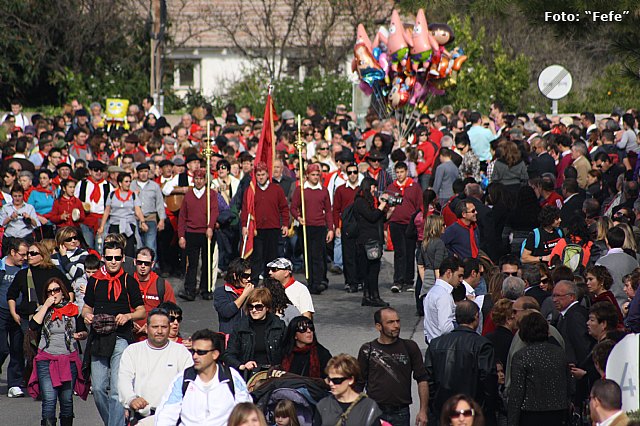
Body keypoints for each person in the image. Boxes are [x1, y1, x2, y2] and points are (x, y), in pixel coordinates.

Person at [82, 240, 146, 426]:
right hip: (99, 337)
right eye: (109, 258)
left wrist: (128, 316)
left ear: (123, 258)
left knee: (118, 389)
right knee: (100, 388)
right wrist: (87, 315)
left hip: (121, 337)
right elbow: (86, 307)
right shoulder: (95, 281)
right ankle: (113, 422)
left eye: (117, 258)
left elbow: (141, 310)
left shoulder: (129, 281)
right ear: (103, 259)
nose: (113, 261)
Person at [6, 241, 72, 398]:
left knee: (42, 351)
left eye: (33, 253)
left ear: (43, 256)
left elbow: (68, 291)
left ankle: (42, 384)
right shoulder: (23, 274)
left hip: (49, 317)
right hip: (25, 318)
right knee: (21, 349)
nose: (29, 256)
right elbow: (11, 295)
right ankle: (15, 383)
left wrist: (63, 308)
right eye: (28, 253)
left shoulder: (54, 273)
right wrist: (13, 312)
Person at [154, 329, 252, 426]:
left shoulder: (232, 378)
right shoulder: (183, 379)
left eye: (201, 352)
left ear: (215, 354)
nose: (195, 356)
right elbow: (166, 414)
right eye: (193, 351)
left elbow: (246, 412)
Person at [425, 301, 497, 425]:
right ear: (476, 316)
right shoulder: (482, 345)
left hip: (443, 410)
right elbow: (488, 379)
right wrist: (487, 409)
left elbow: (429, 380)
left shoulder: (436, 344)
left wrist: (435, 406)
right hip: (473, 410)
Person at [28, 277, 88, 426]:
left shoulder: (73, 310)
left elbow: (83, 331)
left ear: (63, 292)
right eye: (49, 292)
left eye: (56, 290)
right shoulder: (42, 310)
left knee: (66, 400)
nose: (53, 294)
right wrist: (45, 306)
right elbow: (33, 326)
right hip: (46, 359)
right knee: (49, 399)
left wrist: (80, 335)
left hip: (68, 359)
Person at [117, 308, 192, 425]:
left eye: (164, 327)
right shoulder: (132, 351)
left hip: (174, 416)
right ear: (146, 328)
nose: (160, 331)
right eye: (155, 327)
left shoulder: (181, 351)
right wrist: (131, 399)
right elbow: (124, 380)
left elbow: (190, 383)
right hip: (143, 415)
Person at [358, 307, 429, 426]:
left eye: (398, 321)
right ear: (378, 326)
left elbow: (422, 380)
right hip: (374, 411)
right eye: (390, 322)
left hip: (401, 412)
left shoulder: (410, 347)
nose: (396, 325)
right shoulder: (367, 350)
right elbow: (358, 383)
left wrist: (423, 411)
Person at [507, 312, 571, 426]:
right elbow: (569, 385)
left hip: (530, 414)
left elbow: (516, 393)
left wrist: (512, 422)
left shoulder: (522, 356)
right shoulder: (560, 353)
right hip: (558, 413)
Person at [241, 162, 289, 284]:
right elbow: (245, 209)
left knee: (271, 257)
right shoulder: (251, 190)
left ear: (268, 174)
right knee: (257, 257)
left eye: (263, 174)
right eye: (258, 175)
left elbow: (284, 208)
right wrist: (243, 226)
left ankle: (270, 283)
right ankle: (254, 283)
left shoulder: (276, 189)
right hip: (257, 229)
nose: (261, 177)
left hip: (273, 228)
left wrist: (285, 224)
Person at [290, 163, 334, 294]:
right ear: (307, 175)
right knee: (308, 255)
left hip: (320, 226)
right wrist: (299, 217)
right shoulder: (301, 190)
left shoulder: (323, 190)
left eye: (317, 175)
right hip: (306, 226)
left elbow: (328, 210)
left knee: (319, 255)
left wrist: (330, 228)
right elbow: (293, 208)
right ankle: (311, 281)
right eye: (313, 175)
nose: (316, 177)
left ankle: (319, 280)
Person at [223, 288, 285, 379]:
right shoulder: (241, 327)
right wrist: (242, 366)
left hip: (275, 374)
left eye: (258, 307)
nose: (254, 310)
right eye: (250, 307)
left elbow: (288, 352)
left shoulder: (279, 326)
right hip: (249, 375)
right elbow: (228, 355)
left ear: (267, 307)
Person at [177, 168, 219, 301]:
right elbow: (182, 216)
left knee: (207, 261)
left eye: (201, 179)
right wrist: (181, 236)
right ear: (193, 180)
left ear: (205, 180)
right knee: (192, 263)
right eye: (197, 178)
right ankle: (190, 289)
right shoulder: (188, 195)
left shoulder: (210, 194)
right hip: (191, 232)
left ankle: (206, 289)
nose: (199, 181)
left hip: (206, 232)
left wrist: (210, 227)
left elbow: (214, 211)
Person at [353, 177, 393, 306]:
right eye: (373, 187)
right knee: (370, 269)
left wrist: (389, 209)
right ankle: (372, 296)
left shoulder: (370, 202)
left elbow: (379, 219)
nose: (374, 190)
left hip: (374, 239)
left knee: (373, 269)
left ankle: (370, 295)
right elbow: (371, 217)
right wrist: (382, 205)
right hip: (366, 240)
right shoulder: (360, 202)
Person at [386, 161, 423, 293]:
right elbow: (386, 207)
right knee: (399, 252)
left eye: (402, 172)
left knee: (409, 252)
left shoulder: (415, 187)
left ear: (406, 172)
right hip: (395, 223)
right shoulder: (391, 187)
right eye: (398, 172)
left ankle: (408, 281)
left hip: (410, 224)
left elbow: (420, 205)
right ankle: (398, 280)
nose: (400, 175)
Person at [316, 354, 383, 426]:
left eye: (336, 380)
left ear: (351, 380)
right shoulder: (322, 405)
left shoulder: (369, 407)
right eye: (329, 380)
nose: (331, 384)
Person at [0, 238, 28, 396]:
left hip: (19, 314)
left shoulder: (25, 269)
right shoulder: (1, 266)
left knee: (18, 349)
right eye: (21, 254)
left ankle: (15, 384)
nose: (24, 257)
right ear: (12, 252)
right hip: (2, 312)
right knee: (3, 349)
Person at [97, 172, 148, 258]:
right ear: (120, 183)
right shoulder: (112, 194)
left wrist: (143, 222)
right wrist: (102, 226)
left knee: (129, 249)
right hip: (115, 224)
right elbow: (107, 211)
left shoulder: (133, 195)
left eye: (129, 182)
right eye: (126, 181)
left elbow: (138, 210)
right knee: (113, 248)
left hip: (129, 225)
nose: (128, 184)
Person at [132, 247, 177, 341]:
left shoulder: (163, 285)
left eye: (147, 263)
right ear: (135, 262)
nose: (143, 266)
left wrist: (152, 327)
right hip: (129, 336)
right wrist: (128, 323)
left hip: (155, 338)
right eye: (140, 262)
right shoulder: (126, 282)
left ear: (152, 264)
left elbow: (172, 313)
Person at [595, 226, 639, 308]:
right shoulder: (633, 261)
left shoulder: (601, 262)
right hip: (631, 304)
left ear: (607, 241)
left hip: (609, 306)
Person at [423, 256, 464, 343]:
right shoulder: (443, 295)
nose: (461, 280)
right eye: (459, 276)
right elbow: (445, 328)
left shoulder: (432, 291)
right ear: (449, 273)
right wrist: (461, 324)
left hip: (433, 343)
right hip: (442, 345)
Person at [130, 163, 166, 261]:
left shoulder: (155, 186)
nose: (143, 174)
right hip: (135, 218)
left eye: (145, 171)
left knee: (150, 245)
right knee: (138, 245)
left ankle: (152, 268)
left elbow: (160, 203)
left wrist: (162, 220)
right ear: (137, 173)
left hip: (150, 218)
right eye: (141, 172)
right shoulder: (131, 185)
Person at [75, 161, 111, 249]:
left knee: (101, 247)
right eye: (96, 170)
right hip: (86, 220)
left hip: (102, 220)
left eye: (101, 170)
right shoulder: (82, 184)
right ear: (90, 171)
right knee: (87, 246)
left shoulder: (108, 185)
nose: (98, 172)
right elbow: (75, 200)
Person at [213, 257, 255, 334]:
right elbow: (226, 312)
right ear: (235, 275)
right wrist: (244, 295)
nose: (249, 279)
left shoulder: (253, 291)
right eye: (245, 276)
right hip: (230, 336)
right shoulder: (221, 292)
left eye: (250, 275)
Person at [0, 185, 40, 253]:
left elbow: (36, 224)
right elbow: (2, 224)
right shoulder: (5, 207)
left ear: (23, 195)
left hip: (25, 237)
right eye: (15, 196)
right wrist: (10, 217)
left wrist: (29, 218)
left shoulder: (29, 208)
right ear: (11, 196)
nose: (17, 198)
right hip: (10, 238)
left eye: (19, 196)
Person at [417, 215, 447, 301]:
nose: (445, 226)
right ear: (437, 227)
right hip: (436, 280)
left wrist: (424, 281)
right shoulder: (439, 243)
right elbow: (437, 266)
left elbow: (420, 264)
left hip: (427, 279)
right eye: (443, 224)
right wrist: (440, 286)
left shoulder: (425, 242)